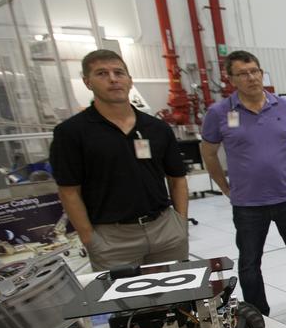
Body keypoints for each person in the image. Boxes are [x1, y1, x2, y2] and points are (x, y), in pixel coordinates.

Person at [201, 51, 286, 324]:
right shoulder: (219, 113)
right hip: (248, 204)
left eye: (255, 71)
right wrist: (225, 187)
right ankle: (258, 315)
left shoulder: (284, 107)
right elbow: (209, 153)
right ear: (232, 79)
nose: (251, 77)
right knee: (249, 263)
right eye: (243, 73)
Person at [51, 49, 190, 270]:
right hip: (111, 238)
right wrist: (90, 239)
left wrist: (180, 223)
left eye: (118, 72)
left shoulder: (157, 128)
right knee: (127, 304)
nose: (113, 79)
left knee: (177, 299)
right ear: (87, 82)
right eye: (102, 73)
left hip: (164, 230)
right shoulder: (71, 133)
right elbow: (69, 191)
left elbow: (177, 179)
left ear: (129, 80)